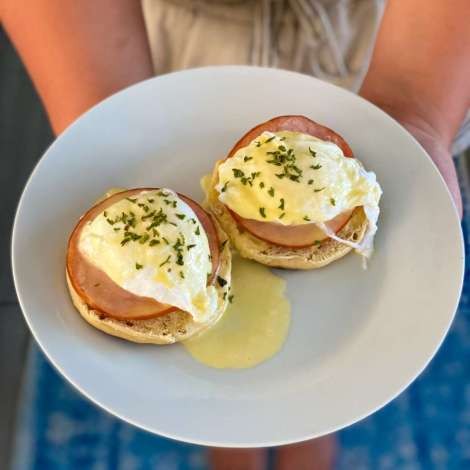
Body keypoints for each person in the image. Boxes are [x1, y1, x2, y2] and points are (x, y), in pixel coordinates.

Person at [2, 1, 469, 468]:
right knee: (229, 401)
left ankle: (313, 419)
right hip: (154, 51)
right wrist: (101, 112)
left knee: (330, 376)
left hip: (392, 41)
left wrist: (415, 111)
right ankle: (229, 429)